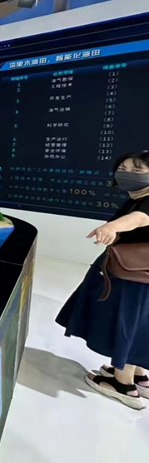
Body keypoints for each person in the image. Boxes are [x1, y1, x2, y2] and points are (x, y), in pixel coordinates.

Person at [57, 151, 149, 410]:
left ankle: (123, 384)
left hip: (132, 276)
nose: (127, 173)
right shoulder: (136, 198)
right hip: (139, 275)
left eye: (137, 170)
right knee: (140, 324)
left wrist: (112, 227)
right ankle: (139, 375)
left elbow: (141, 218)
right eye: (123, 168)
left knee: (127, 324)